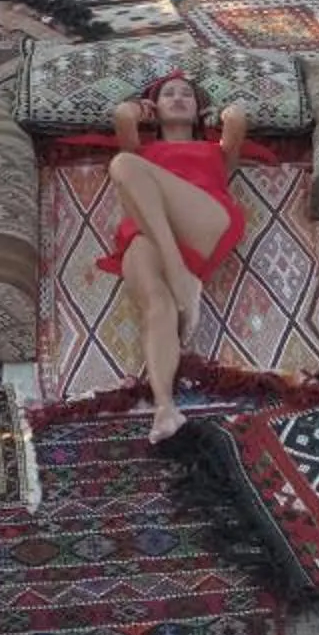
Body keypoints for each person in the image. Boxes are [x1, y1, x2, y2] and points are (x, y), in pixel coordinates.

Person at [100, 72, 250, 443]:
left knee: (122, 166)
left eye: (187, 95)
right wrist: (136, 108)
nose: (179, 98)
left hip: (204, 221)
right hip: (147, 235)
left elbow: (238, 120)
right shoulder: (143, 151)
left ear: (200, 110)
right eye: (168, 94)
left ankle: (181, 276)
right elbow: (121, 115)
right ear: (154, 108)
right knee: (158, 305)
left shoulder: (215, 151)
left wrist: (224, 114)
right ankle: (165, 408)